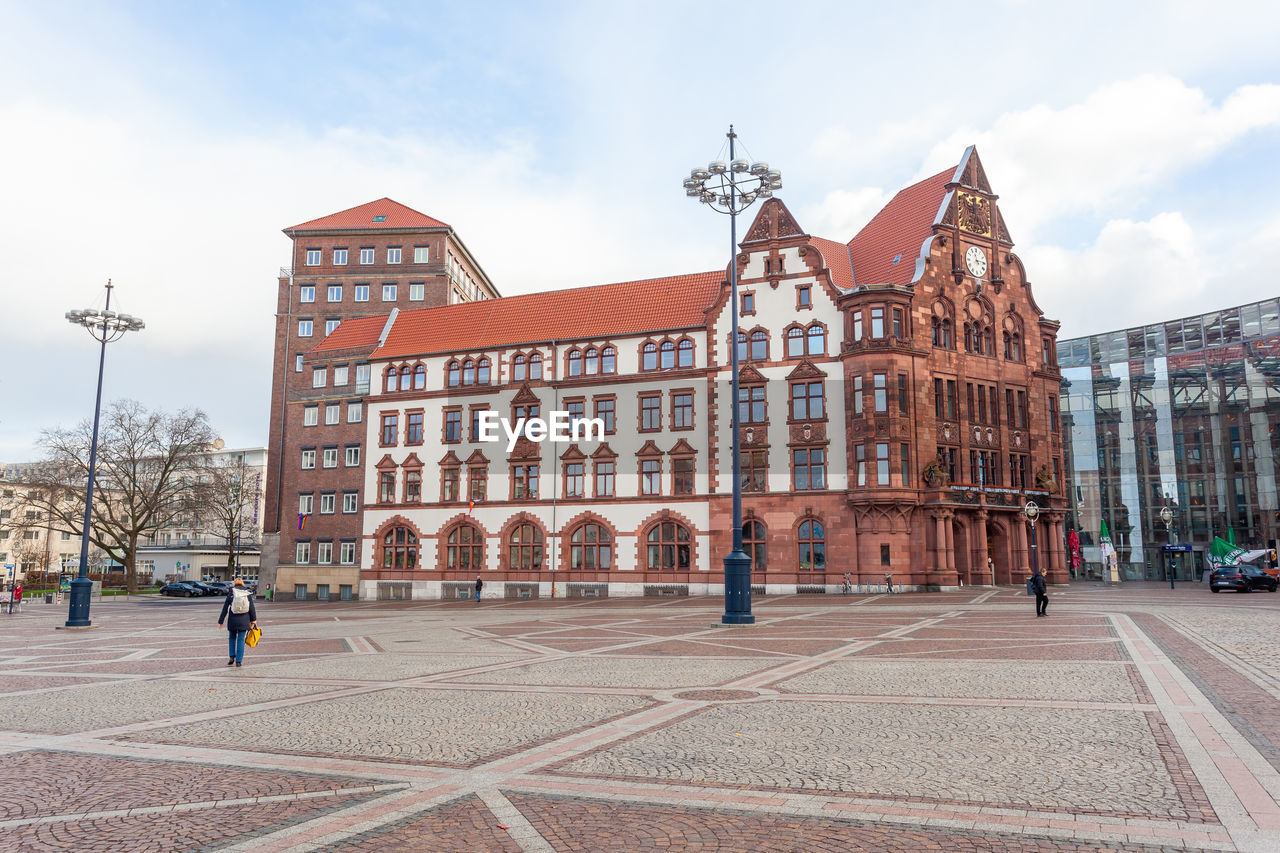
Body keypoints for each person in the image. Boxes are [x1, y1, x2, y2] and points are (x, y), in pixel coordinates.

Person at [218, 578, 257, 667]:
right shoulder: (247, 593)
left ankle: (232, 657)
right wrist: (253, 620)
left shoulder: (231, 593)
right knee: (240, 640)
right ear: (242, 584)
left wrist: (221, 621)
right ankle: (239, 661)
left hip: (233, 620)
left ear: (234, 584)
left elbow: (225, 608)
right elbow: (251, 608)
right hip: (244, 620)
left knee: (232, 638)